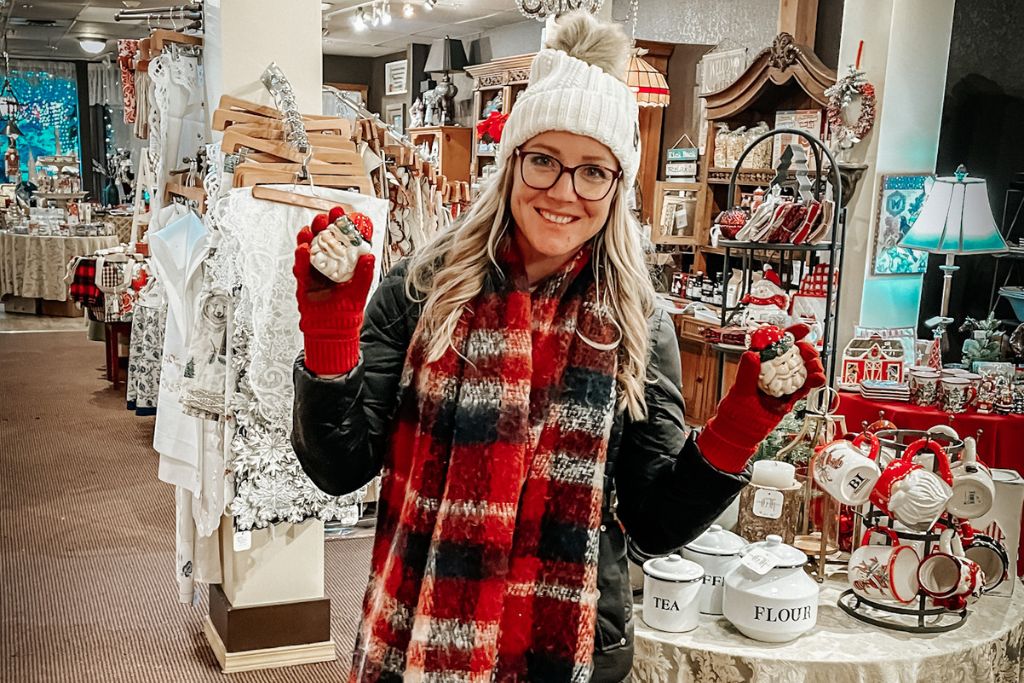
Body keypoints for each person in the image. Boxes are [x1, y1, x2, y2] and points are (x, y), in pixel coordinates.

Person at [291, 12, 825, 683]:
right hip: (415, 631)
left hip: (565, 650)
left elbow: (654, 519)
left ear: (617, 184)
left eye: (593, 170)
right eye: (544, 160)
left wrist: (742, 423)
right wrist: (330, 331)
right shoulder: (423, 289)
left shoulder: (638, 324)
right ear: (512, 163)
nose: (565, 191)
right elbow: (339, 467)